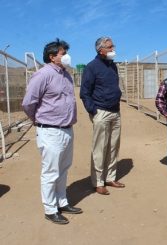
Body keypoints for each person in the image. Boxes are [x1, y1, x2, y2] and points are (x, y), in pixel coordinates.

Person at [22, 38, 82, 225]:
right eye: (63, 53)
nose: (66, 56)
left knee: (63, 169)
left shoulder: (66, 75)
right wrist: (37, 120)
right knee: (50, 172)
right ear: (52, 56)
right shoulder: (42, 75)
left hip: (67, 129)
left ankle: (62, 202)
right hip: (50, 131)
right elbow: (28, 103)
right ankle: (50, 209)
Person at [80, 36, 124, 195]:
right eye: (110, 47)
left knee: (113, 146)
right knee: (100, 148)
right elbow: (84, 93)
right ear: (101, 50)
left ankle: (110, 177)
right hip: (101, 112)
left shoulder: (113, 66)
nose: (113, 49)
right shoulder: (91, 67)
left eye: (113, 46)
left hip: (115, 112)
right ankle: (98, 182)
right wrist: (94, 111)